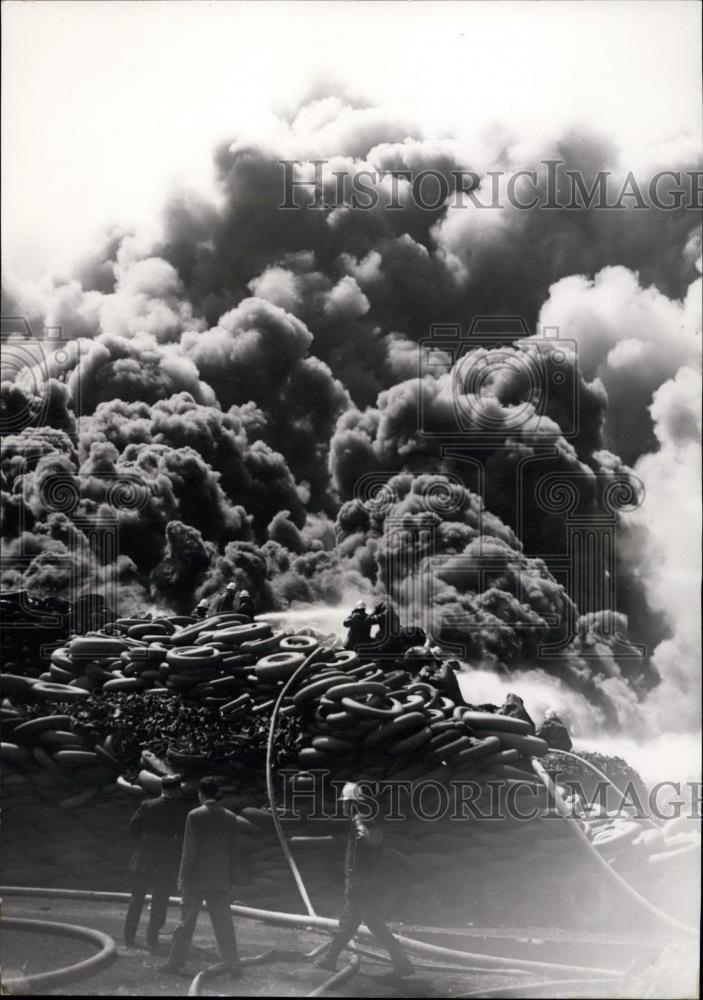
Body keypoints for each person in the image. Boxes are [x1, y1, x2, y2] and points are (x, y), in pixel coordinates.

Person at [314, 782, 413, 978]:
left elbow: (364, 843)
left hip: (361, 887)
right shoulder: (368, 821)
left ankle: (403, 964)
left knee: (373, 926)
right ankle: (330, 959)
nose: (342, 806)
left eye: (344, 803)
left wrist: (362, 834)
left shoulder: (359, 823)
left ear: (351, 804)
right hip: (365, 885)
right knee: (349, 924)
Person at [160, 777, 242, 977]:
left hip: (196, 879)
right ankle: (233, 964)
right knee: (224, 924)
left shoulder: (195, 816)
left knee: (186, 923)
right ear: (216, 794)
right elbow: (234, 851)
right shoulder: (230, 817)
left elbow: (190, 851)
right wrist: (231, 877)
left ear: (201, 794)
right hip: (220, 879)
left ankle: (174, 963)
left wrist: (182, 877)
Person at [124, 774, 186, 951]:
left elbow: (133, 826)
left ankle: (129, 937)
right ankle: (153, 937)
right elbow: (181, 834)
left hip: (144, 855)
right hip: (165, 857)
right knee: (160, 898)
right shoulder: (178, 808)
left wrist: (144, 841)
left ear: (162, 788)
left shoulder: (147, 805)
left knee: (136, 897)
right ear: (175, 789)